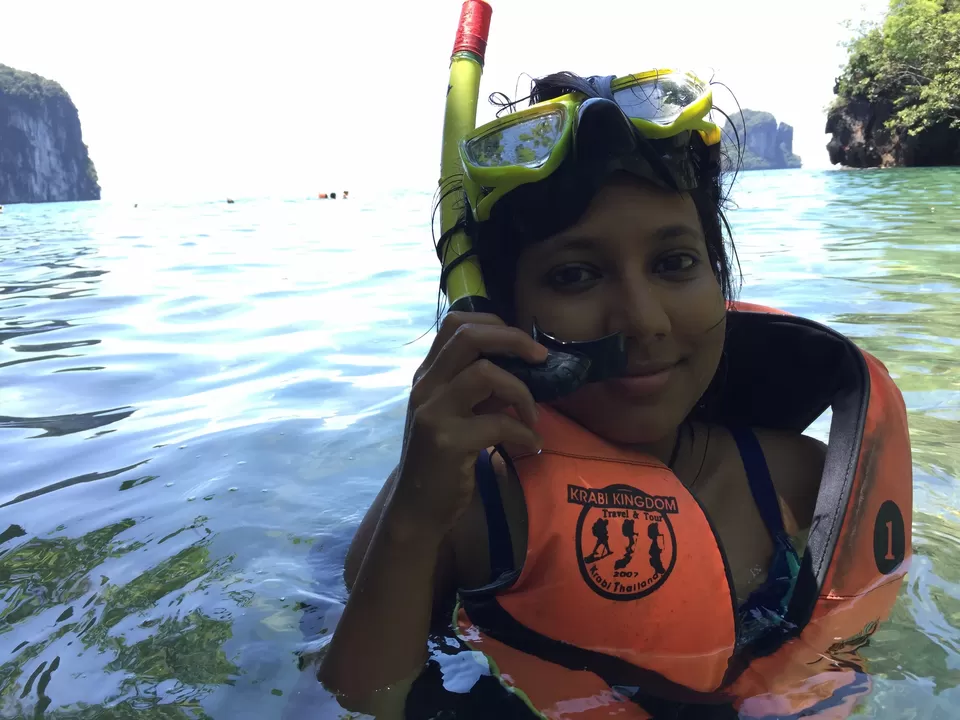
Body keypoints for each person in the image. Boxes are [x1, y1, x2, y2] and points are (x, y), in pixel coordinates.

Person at [317, 70, 910, 719]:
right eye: (576, 275)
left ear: (718, 274)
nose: (643, 318)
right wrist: (414, 518)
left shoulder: (799, 479)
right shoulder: (461, 504)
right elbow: (356, 700)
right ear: (502, 315)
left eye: (674, 263)